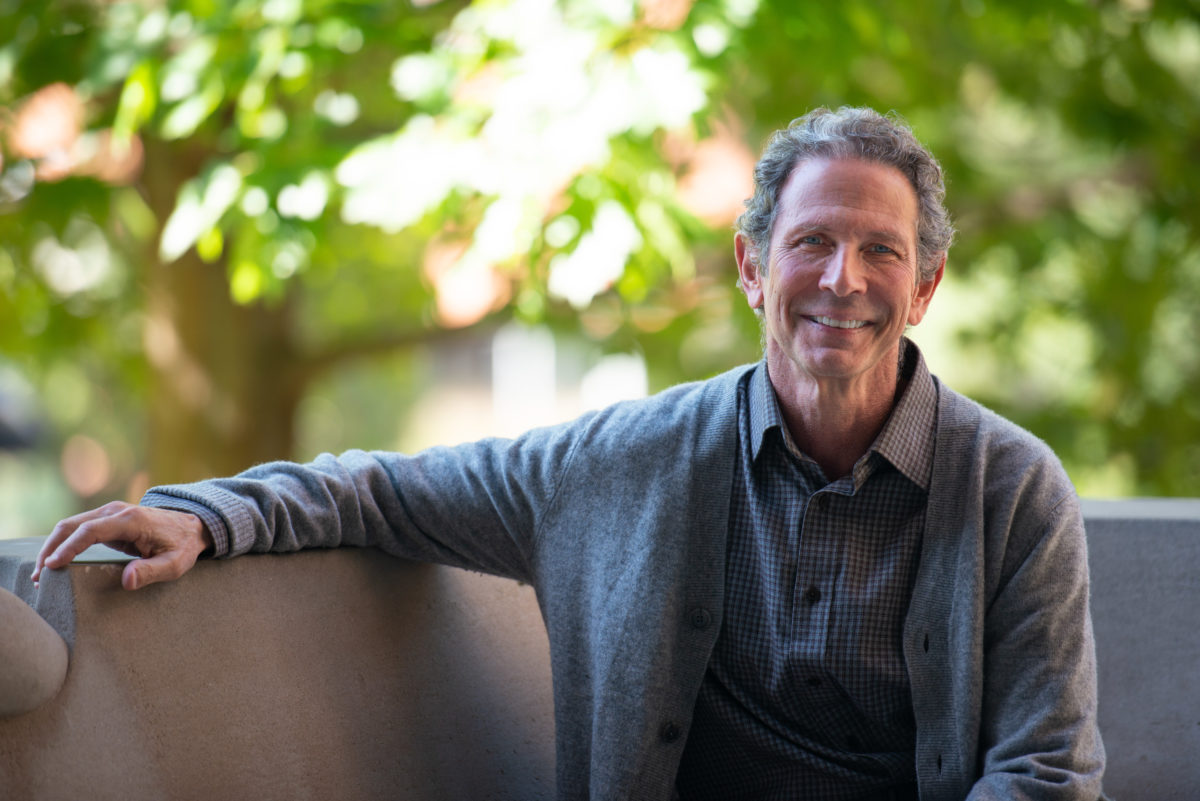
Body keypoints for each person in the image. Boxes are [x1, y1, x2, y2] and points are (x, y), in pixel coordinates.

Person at [33, 107, 1106, 801]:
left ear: (924, 287)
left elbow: (1046, 770)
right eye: (811, 242)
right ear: (749, 265)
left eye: (882, 250)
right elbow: (388, 493)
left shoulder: (1012, 490)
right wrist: (214, 516)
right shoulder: (627, 461)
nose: (842, 280)